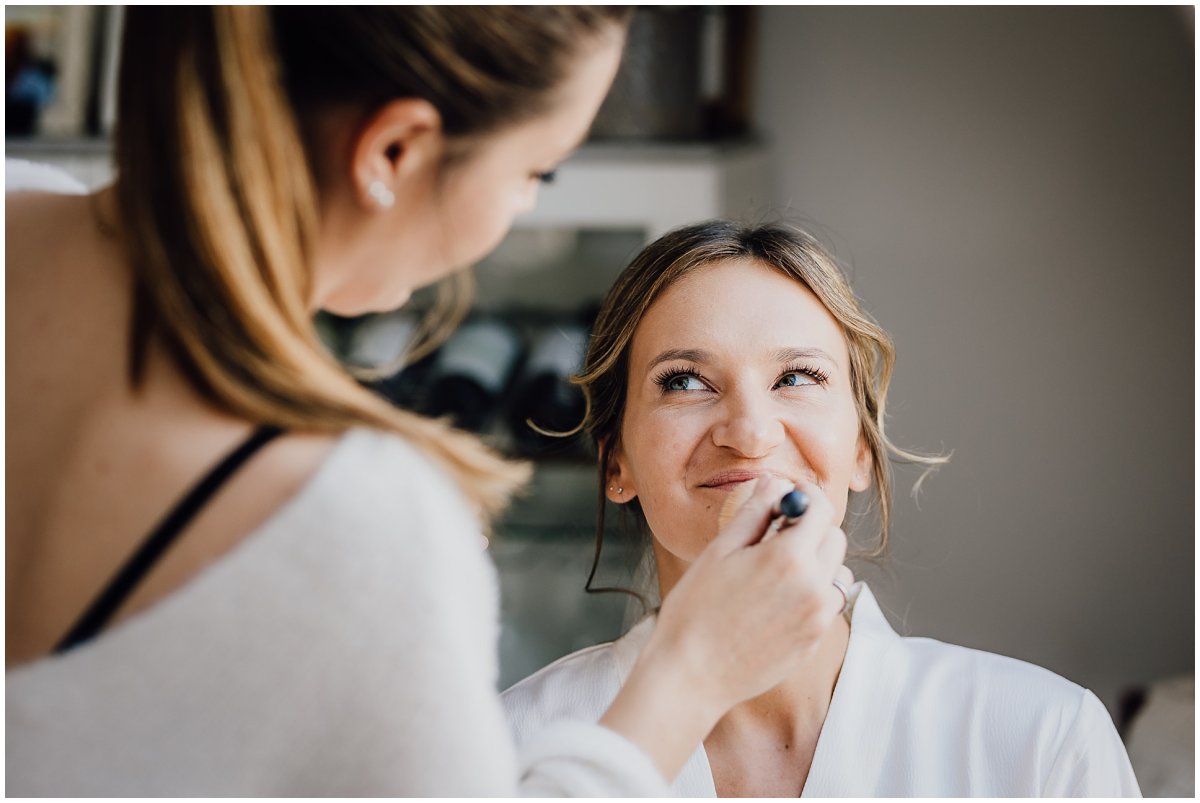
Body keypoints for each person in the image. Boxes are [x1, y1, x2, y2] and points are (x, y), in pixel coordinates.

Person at [5, 9, 855, 797]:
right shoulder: (366, 524)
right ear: (393, 152)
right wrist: (693, 672)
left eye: (800, 377)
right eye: (534, 170)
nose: (748, 431)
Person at [502, 220, 1142, 797]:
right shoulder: (508, 751)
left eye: (797, 378)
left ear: (861, 447)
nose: (750, 433)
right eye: (685, 382)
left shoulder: (1043, 743)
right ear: (616, 463)